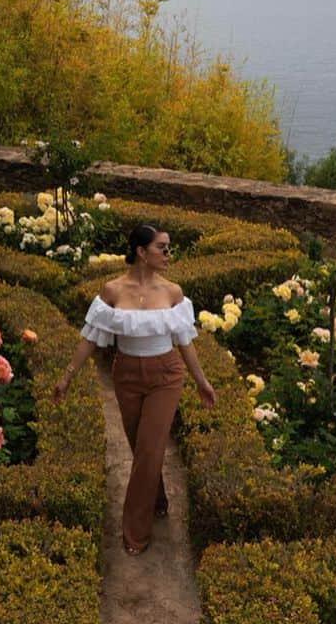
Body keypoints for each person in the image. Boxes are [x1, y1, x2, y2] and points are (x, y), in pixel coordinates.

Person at [53, 223, 216, 554]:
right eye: (163, 248)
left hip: (166, 377)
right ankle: (157, 500)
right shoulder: (112, 290)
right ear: (141, 252)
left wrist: (202, 381)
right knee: (140, 448)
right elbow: (90, 336)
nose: (169, 254)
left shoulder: (173, 292)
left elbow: (185, 341)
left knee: (148, 450)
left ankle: (134, 533)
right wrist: (67, 376)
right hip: (126, 376)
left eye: (169, 248)